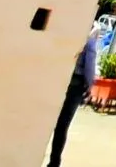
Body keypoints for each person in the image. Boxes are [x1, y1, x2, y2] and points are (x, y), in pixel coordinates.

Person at [46, 26, 100, 167]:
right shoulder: (90, 37)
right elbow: (90, 62)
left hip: (57, 80)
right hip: (75, 84)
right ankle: (54, 162)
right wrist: (89, 85)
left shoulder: (69, 31)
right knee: (62, 126)